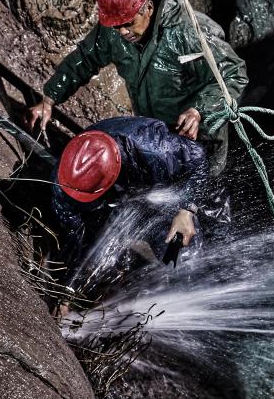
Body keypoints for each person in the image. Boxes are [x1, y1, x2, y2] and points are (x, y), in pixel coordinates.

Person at [28, 0, 248, 175]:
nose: (123, 32)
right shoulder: (112, 32)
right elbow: (85, 58)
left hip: (200, 140)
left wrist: (200, 111)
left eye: (129, 23)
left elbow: (233, 73)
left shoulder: (188, 32)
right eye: (116, 26)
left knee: (197, 203)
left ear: (149, 8)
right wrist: (50, 98)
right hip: (154, 136)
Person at [50, 115, 213, 291]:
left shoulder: (155, 149)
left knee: (182, 250)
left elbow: (199, 159)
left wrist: (186, 210)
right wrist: (68, 287)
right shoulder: (67, 179)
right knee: (95, 244)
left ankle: (181, 294)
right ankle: (114, 273)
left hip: (160, 191)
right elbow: (74, 235)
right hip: (123, 196)